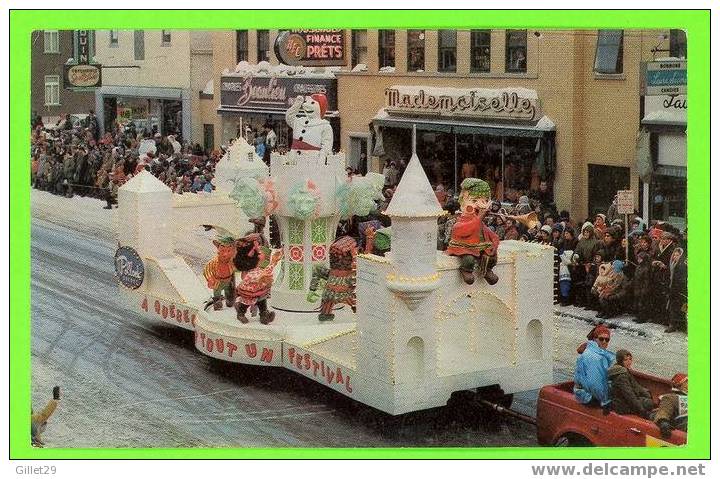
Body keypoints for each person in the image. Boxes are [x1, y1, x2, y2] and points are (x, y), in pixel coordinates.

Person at [574, 324, 615, 407]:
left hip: (589, 392)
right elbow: (595, 385)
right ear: (594, 339)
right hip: (588, 396)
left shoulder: (598, 353)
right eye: (601, 339)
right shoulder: (593, 357)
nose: (604, 342)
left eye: (607, 340)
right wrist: (606, 401)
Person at [608, 350, 654, 417]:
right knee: (648, 403)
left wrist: (647, 394)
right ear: (620, 361)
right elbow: (629, 395)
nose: (629, 362)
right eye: (625, 360)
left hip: (624, 401)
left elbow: (637, 387)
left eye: (630, 359)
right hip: (621, 405)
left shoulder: (624, 371)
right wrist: (642, 412)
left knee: (647, 395)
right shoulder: (621, 376)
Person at [652, 373, 688, 438]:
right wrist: (663, 421)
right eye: (687, 382)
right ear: (680, 385)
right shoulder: (670, 398)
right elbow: (664, 412)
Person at [664, 247, 687, 333]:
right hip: (672, 288)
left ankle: (679, 325)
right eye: (674, 255)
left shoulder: (682, 265)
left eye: (677, 255)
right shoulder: (672, 264)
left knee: (680, 308)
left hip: (678, 289)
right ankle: (672, 325)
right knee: (672, 307)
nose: (675, 257)